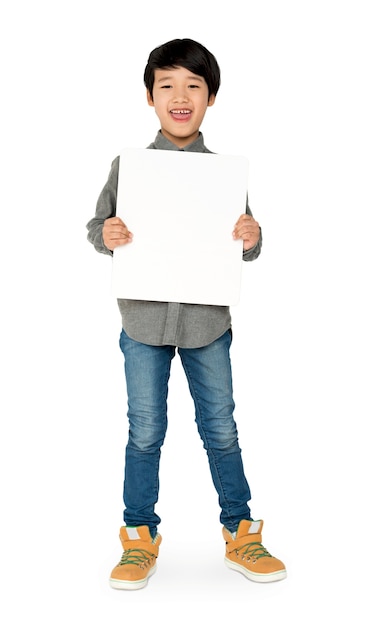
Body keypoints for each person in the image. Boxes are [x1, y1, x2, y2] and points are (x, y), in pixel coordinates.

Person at [86, 38, 286, 590]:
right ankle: (139, 536)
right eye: (167, 85)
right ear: (149, 96)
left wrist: (252, 236)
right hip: (143, 322)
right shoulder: (127, 166)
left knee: (220, 428)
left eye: (193, 86)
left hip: (206, 325)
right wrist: (107, 234)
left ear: (211, 97)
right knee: (145, 431)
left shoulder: (225, 173)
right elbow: (97, 227)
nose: (180, 96)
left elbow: (247, 243)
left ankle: (241, 530)